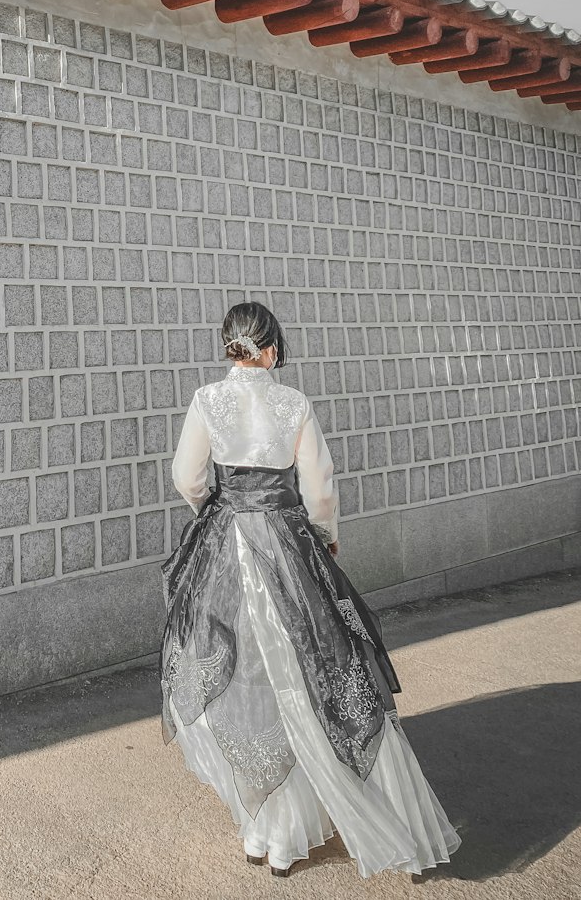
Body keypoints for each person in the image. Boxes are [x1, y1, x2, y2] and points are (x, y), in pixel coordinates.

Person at [159, 301, 461, 879]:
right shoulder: (293, 402)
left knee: (247, 678)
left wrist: (217, 511)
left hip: (228, 543)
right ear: (270, 348)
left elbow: (186, 476)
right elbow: (320, 487)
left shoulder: (207, 400)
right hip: (286, 545)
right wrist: (324, 534)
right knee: (312, 669)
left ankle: (267, 833)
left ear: (229, 346)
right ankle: (325, 821)